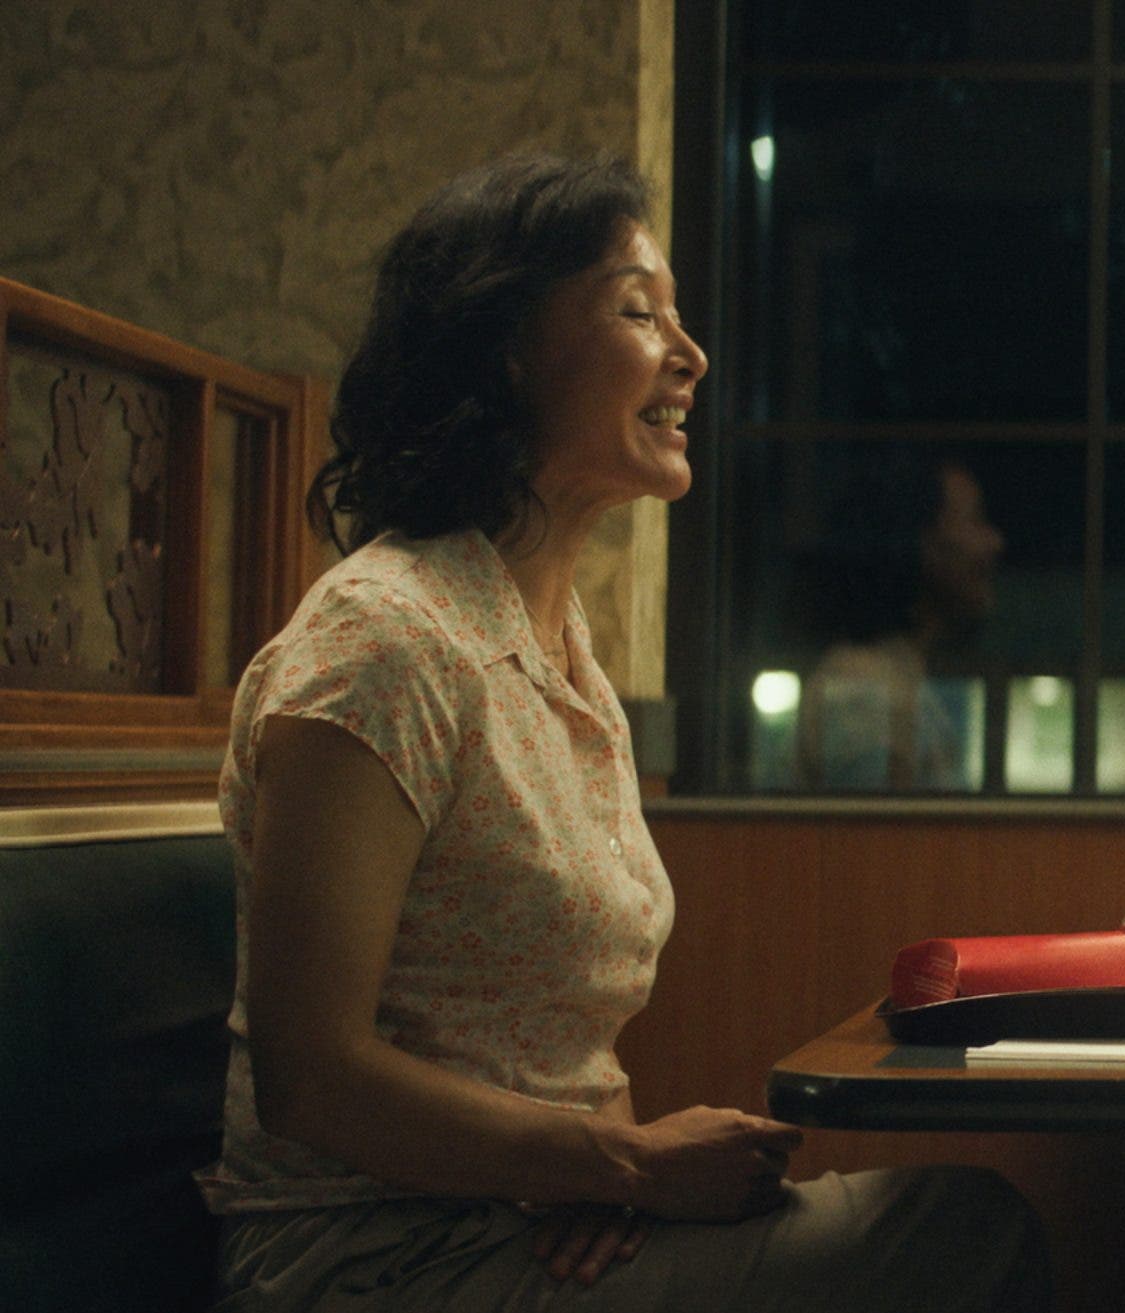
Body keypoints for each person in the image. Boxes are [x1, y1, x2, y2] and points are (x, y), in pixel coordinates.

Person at [199, 154, 1047, 1310]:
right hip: (372, 1254)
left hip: (532, 1215)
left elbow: (559, 1038)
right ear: (506, 348)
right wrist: (623, 1164)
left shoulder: (559, 646)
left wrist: (606, 1179)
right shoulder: (383, 640)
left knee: (958, 1221)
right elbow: (310, 1077)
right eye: (640, 312)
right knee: (958, 1233)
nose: (690, 355)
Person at [793, 454, 1005, 790]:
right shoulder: (864, 690)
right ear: (918, 542)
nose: (994, 542)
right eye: (974, 521)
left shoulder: (891, 679)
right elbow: (871, 822)